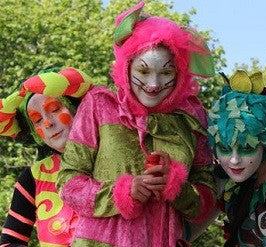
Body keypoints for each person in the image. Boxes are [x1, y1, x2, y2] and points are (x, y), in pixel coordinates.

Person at [56, 1, 217, 246]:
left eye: (166, 73)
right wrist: (121, 193)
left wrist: (177, 187)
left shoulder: (191, 118)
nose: (153, 84)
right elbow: (68, 183)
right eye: (143, 71)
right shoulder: (100, 104)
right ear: (126, 65)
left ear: (180, 73)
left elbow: (206, 200)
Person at [0, 67, 94, 247]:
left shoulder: (115, 156)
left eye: (54, 109)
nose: (48, 123)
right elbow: (9, 242)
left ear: (76, 108)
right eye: (37, 120)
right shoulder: (33, 178)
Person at [208, 70, 266, 246]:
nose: (234, 160)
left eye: (247, 148)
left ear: (265, 141)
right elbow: (186, 230)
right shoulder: (226, 178)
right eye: (225, 149)